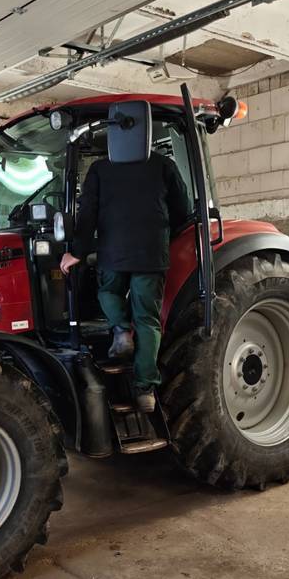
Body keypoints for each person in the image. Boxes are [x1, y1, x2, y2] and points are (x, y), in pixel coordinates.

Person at [60, 151, 190, 412]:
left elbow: (88, 213)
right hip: (151, 255)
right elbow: (182, 209)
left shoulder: (99, 169)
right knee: (147, 320)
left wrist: (77, 252)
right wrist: (162, 234)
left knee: (108, 292)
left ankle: (120, 330)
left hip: (113, 253)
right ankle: (145, 390)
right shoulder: (164, 164)